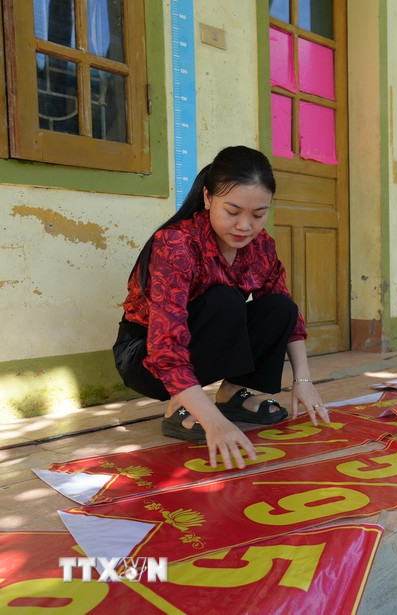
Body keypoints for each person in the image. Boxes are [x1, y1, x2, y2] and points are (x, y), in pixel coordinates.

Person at [113, 145, 330, 469]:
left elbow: (288, 315)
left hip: (196, 338)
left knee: (279, 307)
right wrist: (212, 421)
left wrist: (303, 381)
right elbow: (165, 345)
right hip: (145, 354)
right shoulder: (177, 243)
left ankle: (231, 395)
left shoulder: (261, 246)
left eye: (258, 214)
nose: (245, 226)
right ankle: (180, 407)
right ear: (207, 198)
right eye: (232, 211)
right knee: (224, 300)